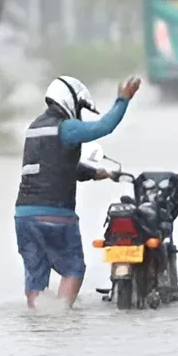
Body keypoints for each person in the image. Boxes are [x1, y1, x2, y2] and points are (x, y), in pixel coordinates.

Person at [15, 75, 143, 308]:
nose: (80, 112)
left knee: (36, 275)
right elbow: (103, 126)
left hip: (24, 216)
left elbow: (57, 167)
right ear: (70, 100)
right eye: (80, 107)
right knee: (74, 268)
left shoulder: (34, 128)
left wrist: (97, 173)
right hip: (55, 215)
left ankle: (38, 321)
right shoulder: (66, 127)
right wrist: (123, 99)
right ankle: (61, 318)